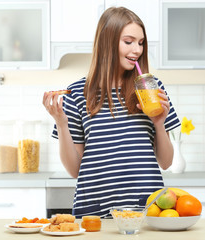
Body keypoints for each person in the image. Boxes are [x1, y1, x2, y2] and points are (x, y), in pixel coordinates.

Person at [43, 6, 180, 218]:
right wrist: (61, 124)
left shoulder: (150, 89)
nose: (137, 50)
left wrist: (159, 123)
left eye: (141, 43)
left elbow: (166, 162)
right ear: (107, 41)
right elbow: (74, 171)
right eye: (128, 41)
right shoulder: (77, 93)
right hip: (94, 213)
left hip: (146, 212)